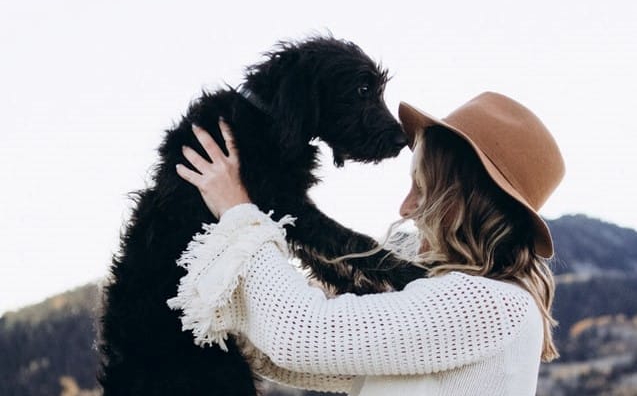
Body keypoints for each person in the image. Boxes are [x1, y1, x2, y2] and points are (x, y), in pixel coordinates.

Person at [167, 91, 565, 396]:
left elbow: (301, 337)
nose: (406, 207)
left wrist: (239, 210)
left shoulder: (491, 305)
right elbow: (298, 361)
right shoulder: (472, 304)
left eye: (422, 189)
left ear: (463, 203)